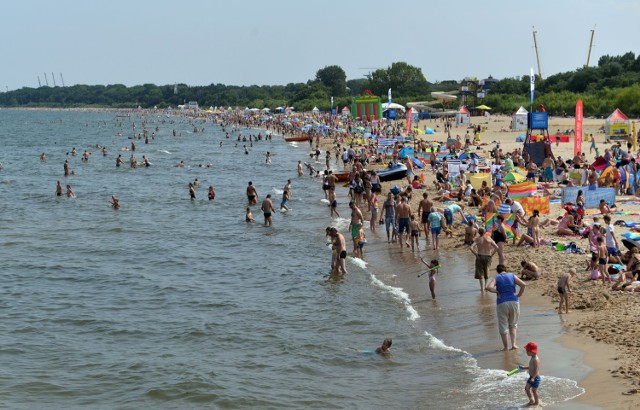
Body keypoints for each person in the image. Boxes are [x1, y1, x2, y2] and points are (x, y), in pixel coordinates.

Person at [485, 264, 526, 351]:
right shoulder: (512, 275)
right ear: (505, 270)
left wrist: (497, 291)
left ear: (497, 271)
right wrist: (519, 294)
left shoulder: (496, 277)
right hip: (514, 301)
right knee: (513, 325)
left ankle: (506, 347)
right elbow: (523, 285)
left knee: (503, 326)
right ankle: (514, 344)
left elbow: (488, 287)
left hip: (502, 302)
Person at [521, 342, 541, 406]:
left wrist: (533, 377)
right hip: (531, 377)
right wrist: (524, 367)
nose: (526, 352)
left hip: (535, 378)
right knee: (526, 388)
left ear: (532, 351)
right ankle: (531, 400)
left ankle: (536, 403)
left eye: (527, 351)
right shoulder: (532, 358)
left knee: (534, 391)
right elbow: (531, 367)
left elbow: (536, 370)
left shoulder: (536, 360)